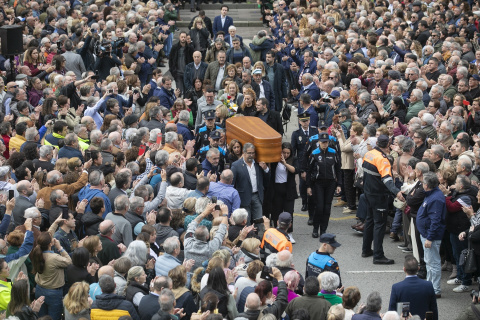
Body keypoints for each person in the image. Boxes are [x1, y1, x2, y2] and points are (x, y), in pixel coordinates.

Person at [361, 135, 403, 264]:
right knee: (379, 224)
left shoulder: (369, 154)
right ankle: (378, 256)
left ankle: (366, 249)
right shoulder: (382, 159)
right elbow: (387, 180)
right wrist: (397, 192)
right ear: (388, 145)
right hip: (378, 196)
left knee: (369, 221)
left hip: (368, 193)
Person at [416, 172, 446, 298]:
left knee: (433, 263)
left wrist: (429, 237)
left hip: (430, 236)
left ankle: (435, 290)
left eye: (423, 183)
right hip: (428, 234)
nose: (422, 184)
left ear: (427, 185)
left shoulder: (436, 198)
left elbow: (435, 220)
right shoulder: (432, 195)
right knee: (429, 262)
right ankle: (430, 286)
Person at [305, 133, 341, 237]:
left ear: (328, 142)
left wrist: (339, 184)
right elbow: (309, 170)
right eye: (322, 142)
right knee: (319, 207)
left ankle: (323, 229)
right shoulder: (314, 153)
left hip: (331, 183)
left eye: (326, 142)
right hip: (318, 183)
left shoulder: (333, 152)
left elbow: (338, 169)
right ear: (319, 142)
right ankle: (316, 228)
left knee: (327, 208)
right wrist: (308, 186)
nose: (324, 144)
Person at [31, 232, 72, 320]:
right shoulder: (54, 258)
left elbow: (46, 236)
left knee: (41, 317)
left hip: (39, 289)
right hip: (54, 293)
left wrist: (56, 222)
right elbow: (69, 261)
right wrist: (60, 248)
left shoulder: (37, 253)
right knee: (53, 318)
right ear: (50, 243)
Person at [388, 255, 438, 320]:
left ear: (404, 269)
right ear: (418, 268)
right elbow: (433, 309)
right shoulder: (428, 285)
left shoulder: (397, 287)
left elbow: (391, 312)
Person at [231, 143, 270, 226]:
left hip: (257, 196)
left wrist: (266, 169)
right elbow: (232, 183)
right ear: (244, 153)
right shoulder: (236, 165)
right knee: (246, 222)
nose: (251, 155)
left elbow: (267, 179)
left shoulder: (258, 164)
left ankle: (258, 237)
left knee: (259, 221)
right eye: (249, 153)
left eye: (253, 153)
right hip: (243, 197)